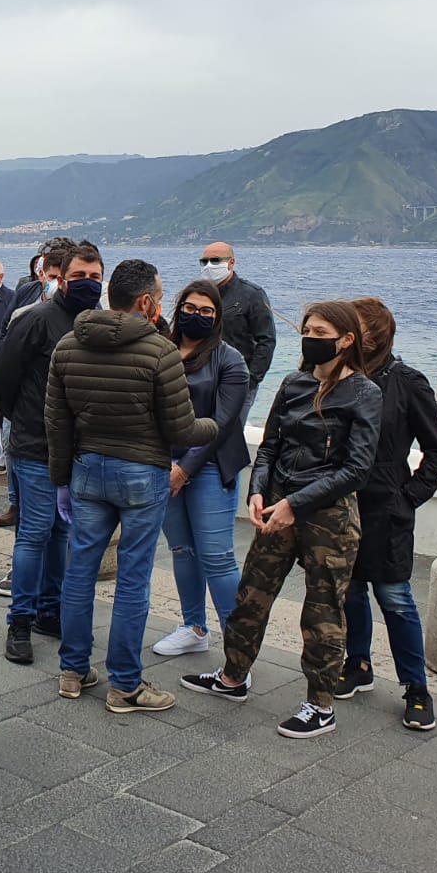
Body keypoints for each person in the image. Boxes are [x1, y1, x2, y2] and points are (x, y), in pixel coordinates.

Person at [182, 301, 382, 740]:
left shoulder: (364, 392)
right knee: (252, 595)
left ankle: (320, 704)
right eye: (307, 328)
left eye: (320, 330)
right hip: (278, 506)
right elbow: (270, 444)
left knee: (323, 611)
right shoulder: (294, 383)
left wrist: (297, 503)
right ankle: (233, 676)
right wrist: (258, 491)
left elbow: (356, 468)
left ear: (346, 340)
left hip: (328, 516)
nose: (310, 336)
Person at [47, 259, 217, 712]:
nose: (162, 306)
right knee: (133, 580)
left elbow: (57, 423)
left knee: (79, 573)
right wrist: (214, 428)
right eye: (159, 298)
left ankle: (73, 670)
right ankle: (125, 685)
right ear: (145, 302)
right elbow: (182, 429)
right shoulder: (160, 352)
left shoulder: (68, 345)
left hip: (86, 471)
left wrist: (61, 478)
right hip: (142, 474)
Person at [333, 298, 437, 730]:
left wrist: (409, 497)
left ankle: (416, 687)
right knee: (349, 592)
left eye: (353, 327)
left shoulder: (406, 382)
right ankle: (358, 664)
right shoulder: (338, 377)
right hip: (341, 504)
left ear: (375, 335)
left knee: (395, 598)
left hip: (387, 507)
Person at [0, 242, 105, 662]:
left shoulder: (98, 324)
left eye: (95, 278)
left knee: (62, 532)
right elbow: (0, 381)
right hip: (36, 446)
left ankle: (49, 609)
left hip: (80, 451)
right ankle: (19, 620)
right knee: (35, 534)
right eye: (79, 277)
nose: (87, 285)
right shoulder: (35, 321)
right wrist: (20, 427)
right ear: (59, 278)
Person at [151, 280, 252, 658]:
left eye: (206, 311)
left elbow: (224, 423)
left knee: (217, 555)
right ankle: (193, 626)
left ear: (218, 317)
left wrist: (185, 469)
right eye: (191, 308)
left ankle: (238, 644)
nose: (197, 316)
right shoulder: (161, 350)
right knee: (182, 549)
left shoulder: (229, 360)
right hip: (164, 463)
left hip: (210, 465)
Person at [199, 242, 276, 421]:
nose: (209, 266)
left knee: (231, 436)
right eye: (204, 261)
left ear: (231, 263)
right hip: (203, 379)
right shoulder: (200, 295)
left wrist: (252, 380)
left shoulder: (252, 294)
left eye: (215, 260)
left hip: (238, 381)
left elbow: (267, 340)